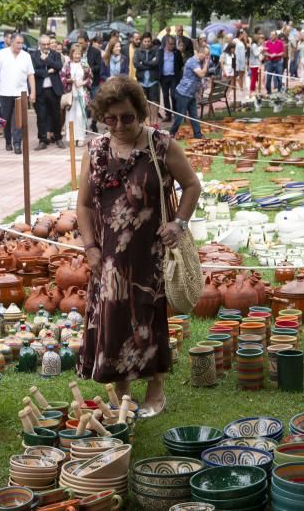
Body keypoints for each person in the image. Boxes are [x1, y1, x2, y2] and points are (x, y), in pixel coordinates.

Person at [76, 75, 200, 416]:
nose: (118, 125)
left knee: (149, 316)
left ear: (141, 113)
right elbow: (84, 205)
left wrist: (180, 223)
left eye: (127, 117)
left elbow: (191, 185)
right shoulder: (96, 150)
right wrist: (90, 248)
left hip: (151, 253)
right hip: (109, 256)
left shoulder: (161, 145)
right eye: (110, 118)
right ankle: (122, 391)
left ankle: (156, 389)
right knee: (115, 317)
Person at [0, 33, 35, 154]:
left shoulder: (26, 56)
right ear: (11, 42)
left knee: (18, 119)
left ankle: (17, 143)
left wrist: (33, 92)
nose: (20, 46)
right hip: (5, 92)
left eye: (22, 43)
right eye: (18, 43)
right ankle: (8, 141)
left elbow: (31, 75)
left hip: (21, 93)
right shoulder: (2, 54)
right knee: (6, 119)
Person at [169, 46, 210, 139]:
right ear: (200, 53)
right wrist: (207, 63)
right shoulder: (192, 62)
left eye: (208, 55)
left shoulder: (199, 62)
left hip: (191, 94)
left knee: (194, 115)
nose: (207, 57)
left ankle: (198, 134)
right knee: (180, 116)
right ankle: (171, 134)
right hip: (183, 93)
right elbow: (201, 74)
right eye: (206, 55)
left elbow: (200, 78)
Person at [32, 34, 64, 150]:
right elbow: (33, 71)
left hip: (53, 89)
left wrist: (47, 60)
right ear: (39, 44)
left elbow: (59, 66)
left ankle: (58, 138)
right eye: (44, 44)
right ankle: (42, 140)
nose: (46, 46)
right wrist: (48, 72)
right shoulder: (34, 55)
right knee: (41, 116)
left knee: (56, 115)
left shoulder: (55, 54)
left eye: (48, 44)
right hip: (40, 90)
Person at [63, 45, 90, 146]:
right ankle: (71, 137)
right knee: (70, 116)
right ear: (72, 54)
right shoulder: (67, 65)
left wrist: (82, 83)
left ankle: (80, 137)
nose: (77, 56)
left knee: (80, 115)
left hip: (81, 92)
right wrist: (69, 80)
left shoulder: (84, 64)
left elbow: (90, 78)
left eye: (79, 54)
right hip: (70, 93)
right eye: (75, 53)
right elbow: (62, 77)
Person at [133, 33, 161, 124]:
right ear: (142, 41)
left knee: (154, 103)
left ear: (151, 41)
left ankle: (155, 123)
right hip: (141, 81)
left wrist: (143, 63)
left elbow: (156, 62)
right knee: (144, 103)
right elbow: (136, 64)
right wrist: (149, 63)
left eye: (149, 41)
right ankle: (148, 124)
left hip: (153, 81)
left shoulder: (156, 50)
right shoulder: (137, 51)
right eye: (145, 41)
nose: (147, 43)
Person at [247, 32, 263, 96]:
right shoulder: (254, 45)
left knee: (255, 77)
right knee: (253, 78)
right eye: (259, 39)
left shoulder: (254, 45)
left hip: (255, 63)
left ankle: (253, 89)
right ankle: (252, 90)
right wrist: (261, 50)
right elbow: (256, 54)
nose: (260, 40)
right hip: (254, 64)